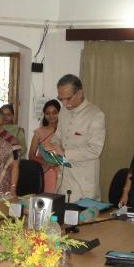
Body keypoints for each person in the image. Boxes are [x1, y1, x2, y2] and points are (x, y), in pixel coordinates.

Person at [46, 74, 106, 202]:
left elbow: (95, 150)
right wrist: (53, 145)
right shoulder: (63, 112)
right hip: (63, 179)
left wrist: (65, 153)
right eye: (60, 98)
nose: (64, 103)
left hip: (83, 182)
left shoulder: (95, 114)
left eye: (67, 98)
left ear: (79, 93)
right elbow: (58, 136)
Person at [28, 100, 61, 193]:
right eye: (48, 113)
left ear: (60, 113)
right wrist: (47, 163)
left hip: (62, 170)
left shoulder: (64, 132)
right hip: (45, 170)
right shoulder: (39, 132)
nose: (51, 116)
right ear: (44, 115)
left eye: (55, 112)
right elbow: (31, 155)